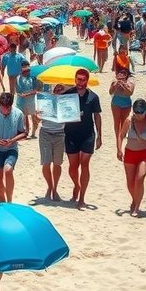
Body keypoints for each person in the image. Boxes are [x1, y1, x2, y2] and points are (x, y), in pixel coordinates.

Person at [62, 68, 102, 210]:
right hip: (71, 135)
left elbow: (97, 116)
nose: (81, 82)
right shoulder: (67, 94)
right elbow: (59, 111)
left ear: (87, 80)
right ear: (75, 80)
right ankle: (77, 186)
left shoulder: (93, 97)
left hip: (88, 135)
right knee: (73, 168)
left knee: (84, 164)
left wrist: (99, 136)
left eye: (83, 80)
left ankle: (82, 198)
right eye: (79, 79)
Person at [116, 99, 146, 216]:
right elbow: (121, 135)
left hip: (145, 153)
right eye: (137, 113)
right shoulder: (129, 121)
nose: (139, 115)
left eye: (141, 113)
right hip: (130, 153)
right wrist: (119, 149)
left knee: (139, 178)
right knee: (130, 182)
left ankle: (137, 208)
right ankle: (135, 200)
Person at [38, 89, 66, 201]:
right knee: (46, 162)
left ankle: (55, 188)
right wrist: (37, 114)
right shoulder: (45, 101)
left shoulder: (66, 102)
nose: (59, 91)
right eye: (57, 89)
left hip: (60, 133)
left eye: (61, 89)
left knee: (57, 163)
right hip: (45, 132)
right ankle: (50, 187)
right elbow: (38, 116)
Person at [109, 69, 135, 148]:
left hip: (126, 104)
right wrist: (115, 86)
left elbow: (130, 93)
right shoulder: (114, 81)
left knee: (124, 123)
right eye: (119, 73)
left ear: (126, 75)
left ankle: (121, 137)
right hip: (116, 103)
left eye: (123, 74)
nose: (121, 75)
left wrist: (124, 86)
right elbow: (110, 92)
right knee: (117, 123)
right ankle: (118, 141)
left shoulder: (131, 82)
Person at [15, 60, 41, 138]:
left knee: (34, 116)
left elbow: (36, 89)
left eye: (28, 70)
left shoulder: (33, 77)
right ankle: (26, 132)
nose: (27, 72)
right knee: (25, 116)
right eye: (25, 70)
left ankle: (33, 132)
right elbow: (19, 91)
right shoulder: (18, 78)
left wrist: (28, 94)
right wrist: (28, 93)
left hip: (31, 100)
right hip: (22, 101)